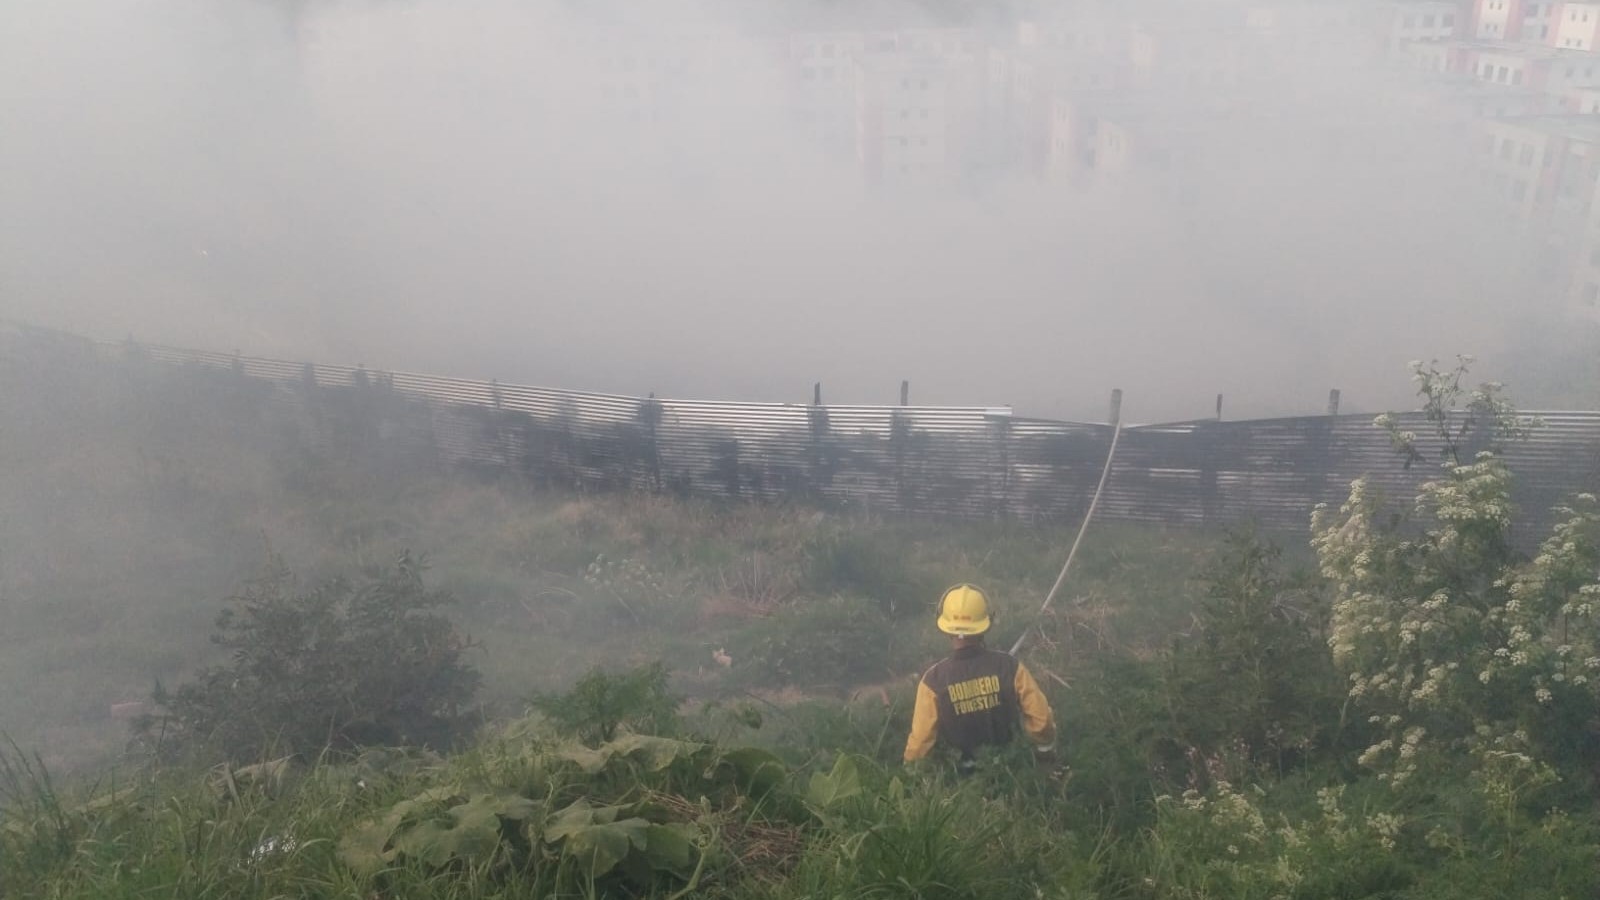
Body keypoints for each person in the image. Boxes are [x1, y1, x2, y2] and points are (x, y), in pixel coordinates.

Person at [903, 584, 1058, 771]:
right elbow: (1041, 721)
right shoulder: (1010, 667)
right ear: (987, 622)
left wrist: (909, 776)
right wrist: (1044, 751)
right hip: (1013, 772)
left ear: (945, 627)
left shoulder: (933, 681)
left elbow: (920, 743)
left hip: (962, 786)